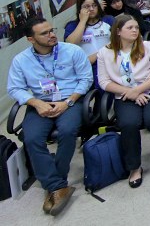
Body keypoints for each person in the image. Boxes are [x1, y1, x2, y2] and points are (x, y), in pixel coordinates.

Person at [7, 18, 93, 215]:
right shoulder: (21, 60)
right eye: (44, 33)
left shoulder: (72, 51)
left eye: (51, 30)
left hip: (70, 100)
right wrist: (36, 103)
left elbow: (86, 79)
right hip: (40, 103)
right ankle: (58, 186)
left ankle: (55, 184)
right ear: (31, 39)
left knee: (68, 131)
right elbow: (14, 88)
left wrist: (68, 102)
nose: (52, 34)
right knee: (31, 138)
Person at [97, 15, 150, 188]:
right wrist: (131, 93)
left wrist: (138, 90)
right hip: (125, 95)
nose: (135, 30)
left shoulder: (149, 47)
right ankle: (134, 168)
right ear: (118, 32)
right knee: (128, 123)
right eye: (130, 28)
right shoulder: (105, 52)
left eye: (136, 27)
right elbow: (104, 82)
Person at [64, 0, 114, 89]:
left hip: (109, 61)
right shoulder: (72, 26)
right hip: (87, 66)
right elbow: (70, 44)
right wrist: (82, 21)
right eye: (86, 6)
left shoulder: (108, 20)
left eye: (94, 5)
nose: (91, 9)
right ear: (80, 9)